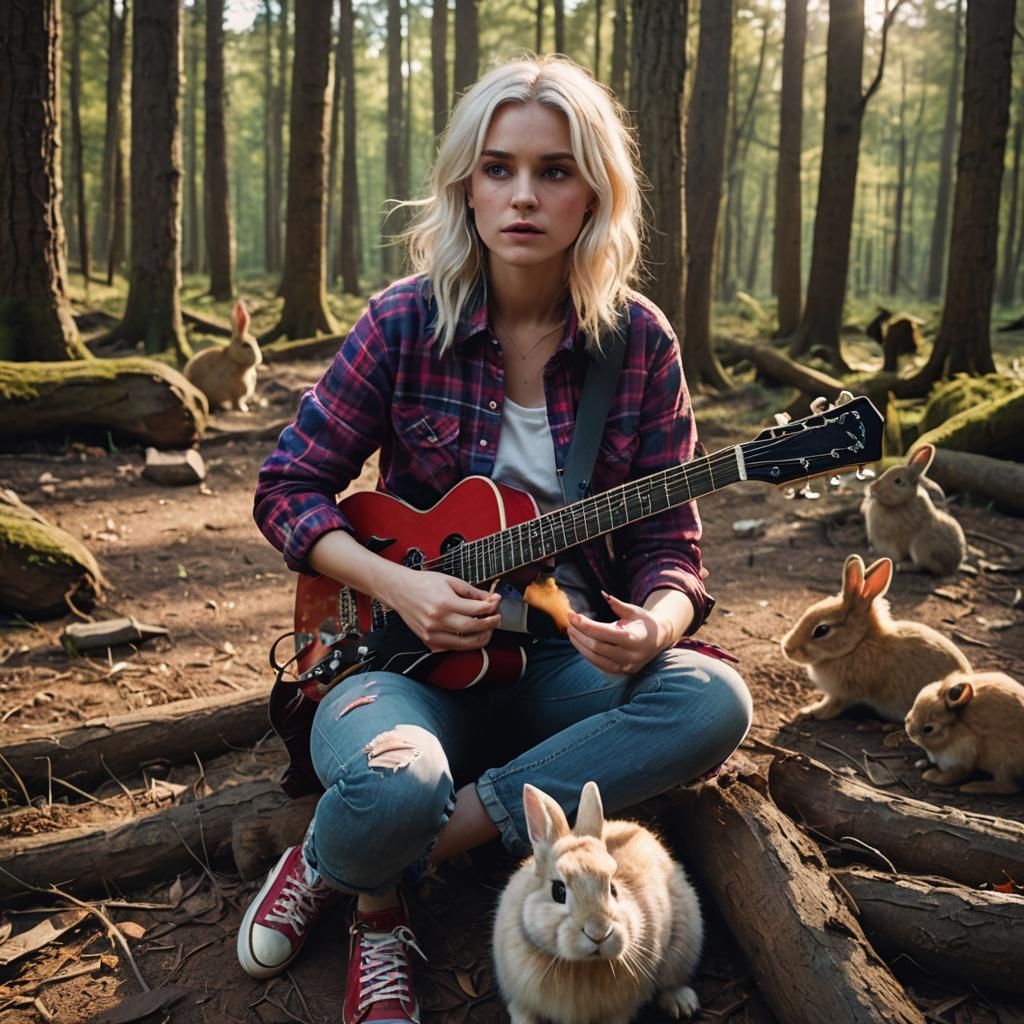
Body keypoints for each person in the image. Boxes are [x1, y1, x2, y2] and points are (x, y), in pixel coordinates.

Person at [239, 54, 752, 1024]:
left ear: (595, 189)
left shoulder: (638, 346)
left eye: (554, 169)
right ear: (465, 185)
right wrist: (395, 584)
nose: (524, 193)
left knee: (712, 696)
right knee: (397, 780)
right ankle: (362, 888)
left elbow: (669, 547)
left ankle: (387, 851)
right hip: (394, 665)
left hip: (561, 668)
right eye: (499, 168)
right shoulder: (401, 322)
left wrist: (658, 624)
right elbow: (287, 487)